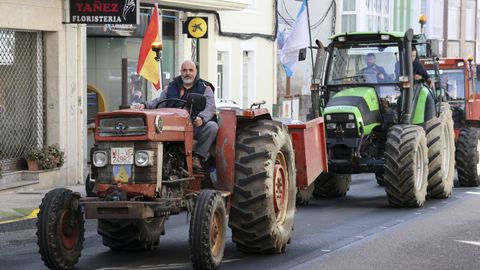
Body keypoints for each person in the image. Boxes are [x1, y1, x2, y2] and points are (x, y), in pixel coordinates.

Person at [133, 60, 218, 170]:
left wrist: (202, 118)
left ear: (196, 71)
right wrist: (144, 105)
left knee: (212, 127)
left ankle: (198, 157)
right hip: (173, 126)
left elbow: (210, 107)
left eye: (191, 70)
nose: (188, 73)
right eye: (184, 70)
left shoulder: (205, 88)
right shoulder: (171, 87)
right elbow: (159, 101)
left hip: (194, 125)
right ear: (181, 72)